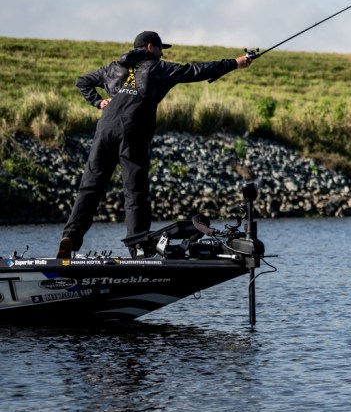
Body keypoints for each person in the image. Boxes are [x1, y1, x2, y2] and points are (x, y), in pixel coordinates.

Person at [57, 31, 253, 257]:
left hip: (105, 129)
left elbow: (82, 81)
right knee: (135, 192)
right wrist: (235, 63)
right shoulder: (158, 68)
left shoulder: (113, 68)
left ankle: (70, 236)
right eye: (161, 49)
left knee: (90, 187)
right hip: (132, 130)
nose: (162, 54)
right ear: (150, 47)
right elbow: (196, 70)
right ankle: (138, 249)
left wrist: (99, 102)